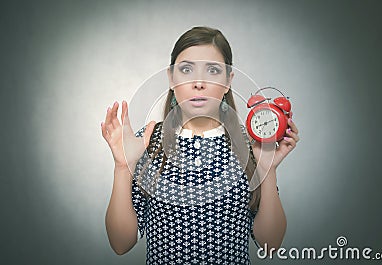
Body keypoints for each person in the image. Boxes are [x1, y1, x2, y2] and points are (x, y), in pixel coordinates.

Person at [101, 26, 299, 264]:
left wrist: (268, 170)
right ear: (172, 79)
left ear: (228, 81)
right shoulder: (147, 142)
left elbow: (270, 245)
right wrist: (123, 167)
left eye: (213, 70)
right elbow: (121, 244)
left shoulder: (251, 145)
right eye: (186, 70)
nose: (199, 83)